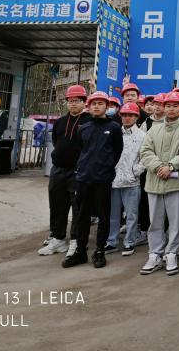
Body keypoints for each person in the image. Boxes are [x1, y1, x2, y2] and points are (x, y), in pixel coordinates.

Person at [63, 91, 123, 269]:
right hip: (83, 179)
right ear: (89, 106)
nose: (96, 106)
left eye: (100, 103)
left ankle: (99, 251)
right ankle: (80, 251)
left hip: (102, 180)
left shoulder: (114, 128)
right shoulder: (84, 128)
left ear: (107, 106)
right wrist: (82, 170)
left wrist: (106, 167)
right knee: (82, 216)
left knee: (103, 216)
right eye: (93, 104)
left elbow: (117, 151)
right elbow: (80, 151)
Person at [138, 92, 179, 275]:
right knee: (155, 221)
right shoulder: (153, 130)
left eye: (175, 106)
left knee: (176, 221)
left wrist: (170, 166)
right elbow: (145, 151)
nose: (171, 109)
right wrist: (159, 167)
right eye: (168, 105)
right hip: (155, 182)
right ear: (163, 107)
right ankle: (154, 253)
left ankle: (172, 252)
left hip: (177, 183)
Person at [38, 85, 90, 257]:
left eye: (77, 100)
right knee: (57, 205)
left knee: (78, 208)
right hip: (58, 170)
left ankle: (76, 241)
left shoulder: (89, 121)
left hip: (78, 171)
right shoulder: (60, 122)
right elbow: (56, 141)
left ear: (84, 102)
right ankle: (58, 239)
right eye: (70, 101)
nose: (73, 104)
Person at [104, 102, 146, 256]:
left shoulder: (142, 135)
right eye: (124, 115)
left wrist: (136, 171)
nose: (127, 118)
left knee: (132, 215)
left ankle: (129, 242)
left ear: (137, 117)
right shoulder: (114, 132)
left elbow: (145, 156)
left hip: (132, 182)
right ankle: (112, 242)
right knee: (113, 215)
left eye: (131, 115)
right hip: (114, 181)